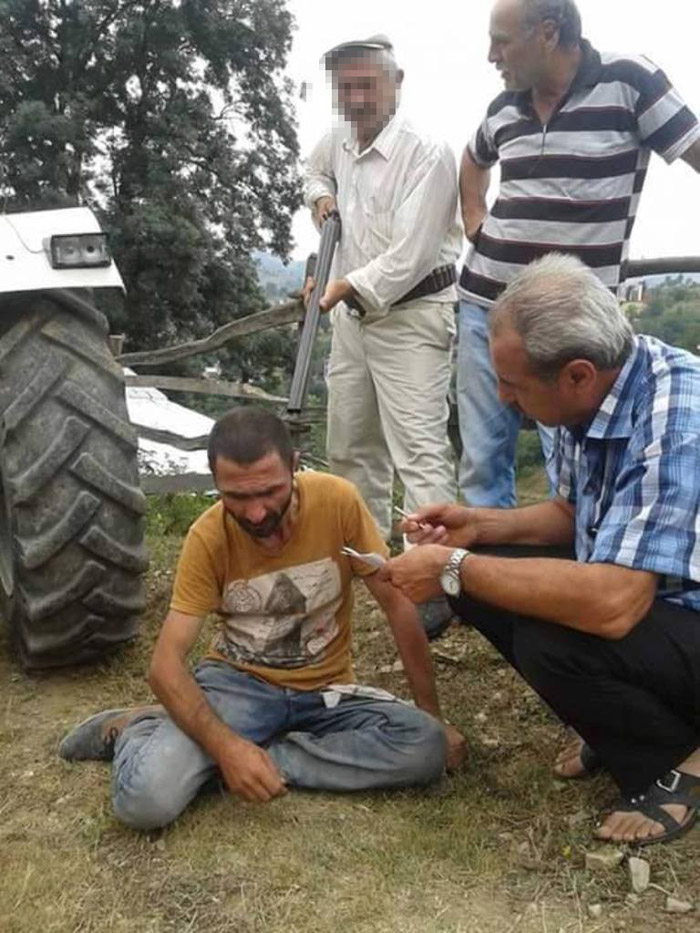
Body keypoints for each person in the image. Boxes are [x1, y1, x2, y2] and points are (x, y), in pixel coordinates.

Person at [381, 254, 700, 846]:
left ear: (576, 374)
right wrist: (475, 529)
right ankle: (621, 721)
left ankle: (677, 760)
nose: (502, 397)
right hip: (660, 607)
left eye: (514, 383)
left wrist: (453, 565)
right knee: (486, 584)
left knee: (550, 635)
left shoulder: (678, 416)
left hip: (677, 610)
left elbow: (615, 604)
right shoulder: (590, 396)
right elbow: (575, 515)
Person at [59, 407, 465, 831]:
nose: (255, 514)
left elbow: (397, 604)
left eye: (270, 492)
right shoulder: (207, 537)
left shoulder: (338, 501)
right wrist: (227, 746)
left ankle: (256, 761)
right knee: (146, 801)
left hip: (325, 695)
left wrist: (432, 714)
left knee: (425, 745)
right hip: (238, 690)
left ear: (294, 465)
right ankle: (134, 728)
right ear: (215, 481)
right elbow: (164, 667)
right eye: (237, 497)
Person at [457, 0, 700, 508]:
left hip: (572, 326)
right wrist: (475, 220)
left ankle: (574, 577)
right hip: (485, 305)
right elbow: (474, 159)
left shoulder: (628, 81)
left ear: (547, 32)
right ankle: (482, 580)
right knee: (482, 465)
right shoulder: (504, 106)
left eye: (501, 40)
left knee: (577, 472)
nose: (488, 55)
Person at [303, 34, 463, 637]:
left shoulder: (427, 152)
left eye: (366, 84)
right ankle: (366, 563)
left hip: (413, 315)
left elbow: (412, 256)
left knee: (418, 451)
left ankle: (438, 579)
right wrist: (319, 197)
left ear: (397, 83)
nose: (356, 97)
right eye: (345, 87)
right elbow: (310, 167)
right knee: (350, 445)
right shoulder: (339, 142)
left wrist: (340, 286)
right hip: (353, 321)